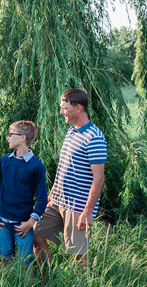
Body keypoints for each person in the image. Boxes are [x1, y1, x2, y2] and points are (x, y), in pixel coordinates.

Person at [34, 88, 106, 269]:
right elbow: (64, 168)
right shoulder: (71, 131)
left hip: (77, 206)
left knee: (76, 254)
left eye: (64, 108)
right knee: (35, 234)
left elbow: (99, 179)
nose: (61, 112)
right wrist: (52, 193)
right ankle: (46, 280)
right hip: (57, 201)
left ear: (78, 108)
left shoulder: (94, 138)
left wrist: (87, 212)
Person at [0, 120, 48, 268]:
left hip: (23, 225)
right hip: (1, 222)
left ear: (22, 138)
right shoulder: (4, 160)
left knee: (26, 263)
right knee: (5, 259)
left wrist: (31, 222)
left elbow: (42, 199)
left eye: (10, 135)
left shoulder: (36, 166)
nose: (8, 138)